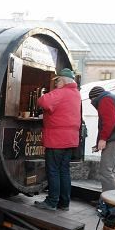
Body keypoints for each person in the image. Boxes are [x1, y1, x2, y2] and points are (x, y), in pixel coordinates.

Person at [33, 68, 81, 211]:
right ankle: (64, 203)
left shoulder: (61, 93)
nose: (56, 83)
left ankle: (51, 201)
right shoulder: (76, 94)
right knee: (64, 171)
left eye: (57, 80)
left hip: (57, 140)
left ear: (64, 80)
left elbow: (42, 101)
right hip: (70, 140)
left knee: (53, 170)